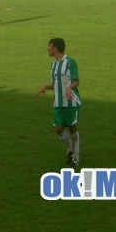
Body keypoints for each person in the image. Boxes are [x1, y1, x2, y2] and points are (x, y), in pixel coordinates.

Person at [36, 38, 81, 167]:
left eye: (49, 45)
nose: (47, 48)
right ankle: (71, 148)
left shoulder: (70, 62)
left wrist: (69, 88)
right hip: (58, 102)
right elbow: (56, 84)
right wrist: (45, 87)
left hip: (71, 101)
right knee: (59, 128)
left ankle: (76, 157)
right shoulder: (53, 65)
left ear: (55, 48)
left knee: (72, 128)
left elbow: (76, 81)